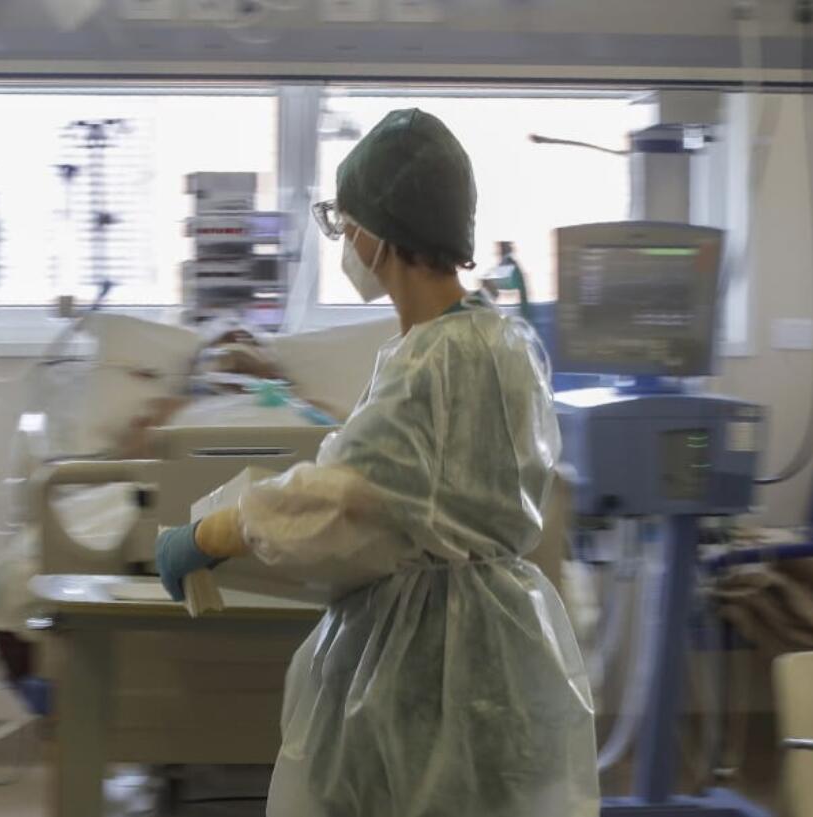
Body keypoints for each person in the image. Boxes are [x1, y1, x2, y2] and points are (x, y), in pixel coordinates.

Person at [156, 108, 598, 817]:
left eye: (343, 223)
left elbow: (339, 501)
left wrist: (207, 536)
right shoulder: (506, 343)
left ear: (379, 232)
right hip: (509, 646)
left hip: (419, 653)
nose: (345, 241)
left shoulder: (430, 363)